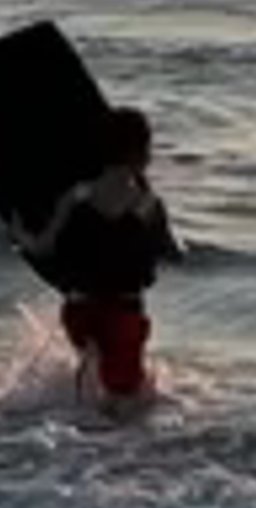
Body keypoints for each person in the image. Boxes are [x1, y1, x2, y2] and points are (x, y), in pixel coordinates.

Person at [28, 110, 172, 406]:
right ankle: (101, 446)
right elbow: (170, 254)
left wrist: (18, 233)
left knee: (95, 381)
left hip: (79, 313)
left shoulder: (76, 196)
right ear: (141, 153)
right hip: (124, 314)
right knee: (127, 404)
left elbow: (42, 249)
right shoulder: (148, 204)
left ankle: (75, 432)